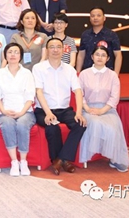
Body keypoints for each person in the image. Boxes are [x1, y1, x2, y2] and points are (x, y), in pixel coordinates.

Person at [32, 38, 86, 176]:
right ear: (47, 50)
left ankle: (59, 160)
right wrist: (48, 113)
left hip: (64, 110)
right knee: (52, 127)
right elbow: (39, 92)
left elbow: (78, 91)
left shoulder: (69, 69)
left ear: (63, 50)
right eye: (52, 47)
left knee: (80, 124)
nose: (55, 50)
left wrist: (79, 113)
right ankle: (64, 161)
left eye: (58, 47)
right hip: (43, 110)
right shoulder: (38, 68)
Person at [78, 46, 129, 172]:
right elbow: (79, 95)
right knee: (95, 123)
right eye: (97, 54)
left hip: (108, 110)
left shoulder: (113, 76)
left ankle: (115, 159)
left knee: (113, 128)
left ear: (108, 58)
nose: (100, 58)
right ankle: (88, 155)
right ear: (92, 57)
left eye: (103, 55)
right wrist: (87, 108)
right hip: (88, 108)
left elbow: (114, 98)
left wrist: (102, 111)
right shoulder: (84, 74)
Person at [0, 43, 36, 177]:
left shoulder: (27, 73)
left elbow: (30, 97)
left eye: (16, 52)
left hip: (25, 111)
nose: (13, 55)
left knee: (22, 124)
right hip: (5, 111)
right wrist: (4, 111)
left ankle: (23, 161)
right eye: (10, 52)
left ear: (20, 56)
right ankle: (14, 161)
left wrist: (22, 112)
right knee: (7, 124)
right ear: (5, 55)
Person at [77, 6, 122, 75]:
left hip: (107, 73)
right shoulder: (85, 34)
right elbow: (81, 55)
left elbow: (118, 55)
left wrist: (116, 74)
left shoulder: (111, 34)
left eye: (98, 15)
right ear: (90, 18)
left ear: (104, 18)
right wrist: (78, 73)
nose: (95, 18)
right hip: (88, 73)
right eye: (93, 16)